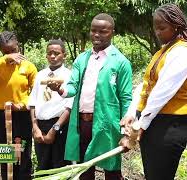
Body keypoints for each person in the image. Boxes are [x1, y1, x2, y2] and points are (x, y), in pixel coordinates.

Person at [120, 4, 187, 180]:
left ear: (176, 26)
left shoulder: (183, 52)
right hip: (155, 121)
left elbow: (162, 92)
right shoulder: (163, 51)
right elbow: (146, 85)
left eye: (162, 28)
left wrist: (141, 125)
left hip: (170, 124)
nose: (157, 32)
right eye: (155, 27)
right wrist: (132, 113)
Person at [48, 13, 133, 180]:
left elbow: (126, 98)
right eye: (93, 30)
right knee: (84, 169)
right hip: (82, 123)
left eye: (103, 31)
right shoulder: (82, 58)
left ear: (112, 32)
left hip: (108, 125)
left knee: (111, 169)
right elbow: (73, 85)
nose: (96, 35)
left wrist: (126, 132)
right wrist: (61, 90)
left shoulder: (121, 62)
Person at [0, 31, 37, 179]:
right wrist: (4, 59)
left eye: (13, 50)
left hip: (22, 113)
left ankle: (23, 177)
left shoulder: (28, 66)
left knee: (22, 150)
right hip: (1, 114)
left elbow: (35, 92)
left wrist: (22, 105)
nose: (11, 54)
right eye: (6, 52)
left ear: (18, 45)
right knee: (4, 151)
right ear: (1, 51)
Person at [28, 39, 73, 171]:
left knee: (59, 167)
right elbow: (32, 103)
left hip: (59, 126)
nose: (52, 56)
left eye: (56, 53)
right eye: (49, 53)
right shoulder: (40, 75)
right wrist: (35, 127)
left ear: (64, 55)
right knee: (43, 166)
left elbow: (69, 107)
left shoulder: (69, 76)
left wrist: (54, 130)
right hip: (40, 127)